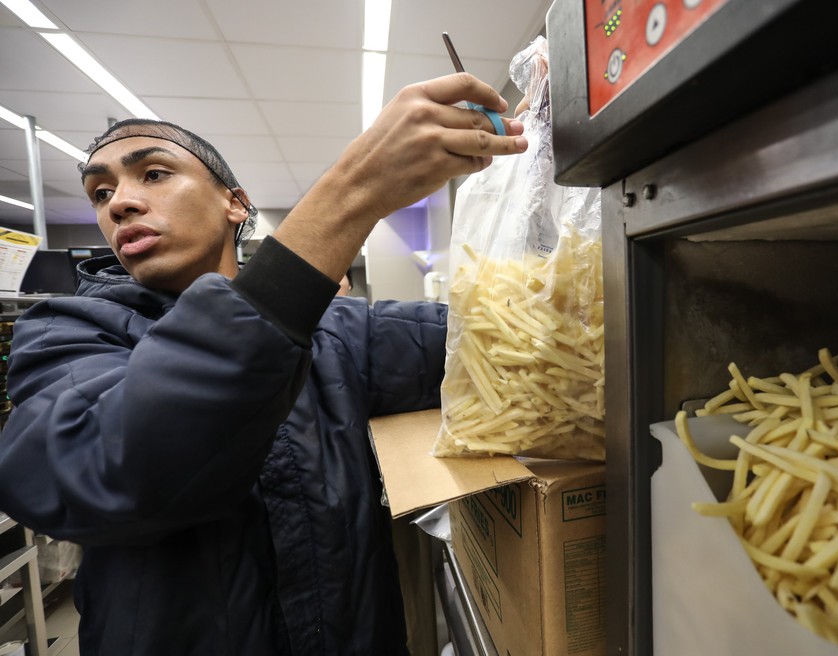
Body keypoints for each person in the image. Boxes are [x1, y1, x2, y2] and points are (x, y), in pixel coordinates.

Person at [0, 71, 526, 656]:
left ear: (235, 204)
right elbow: (112, 467)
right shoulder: (64, 333)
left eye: (154, 173)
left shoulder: (338, 332)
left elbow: (508, 344)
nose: (120, 202)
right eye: (101, 194)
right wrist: (353, 191)